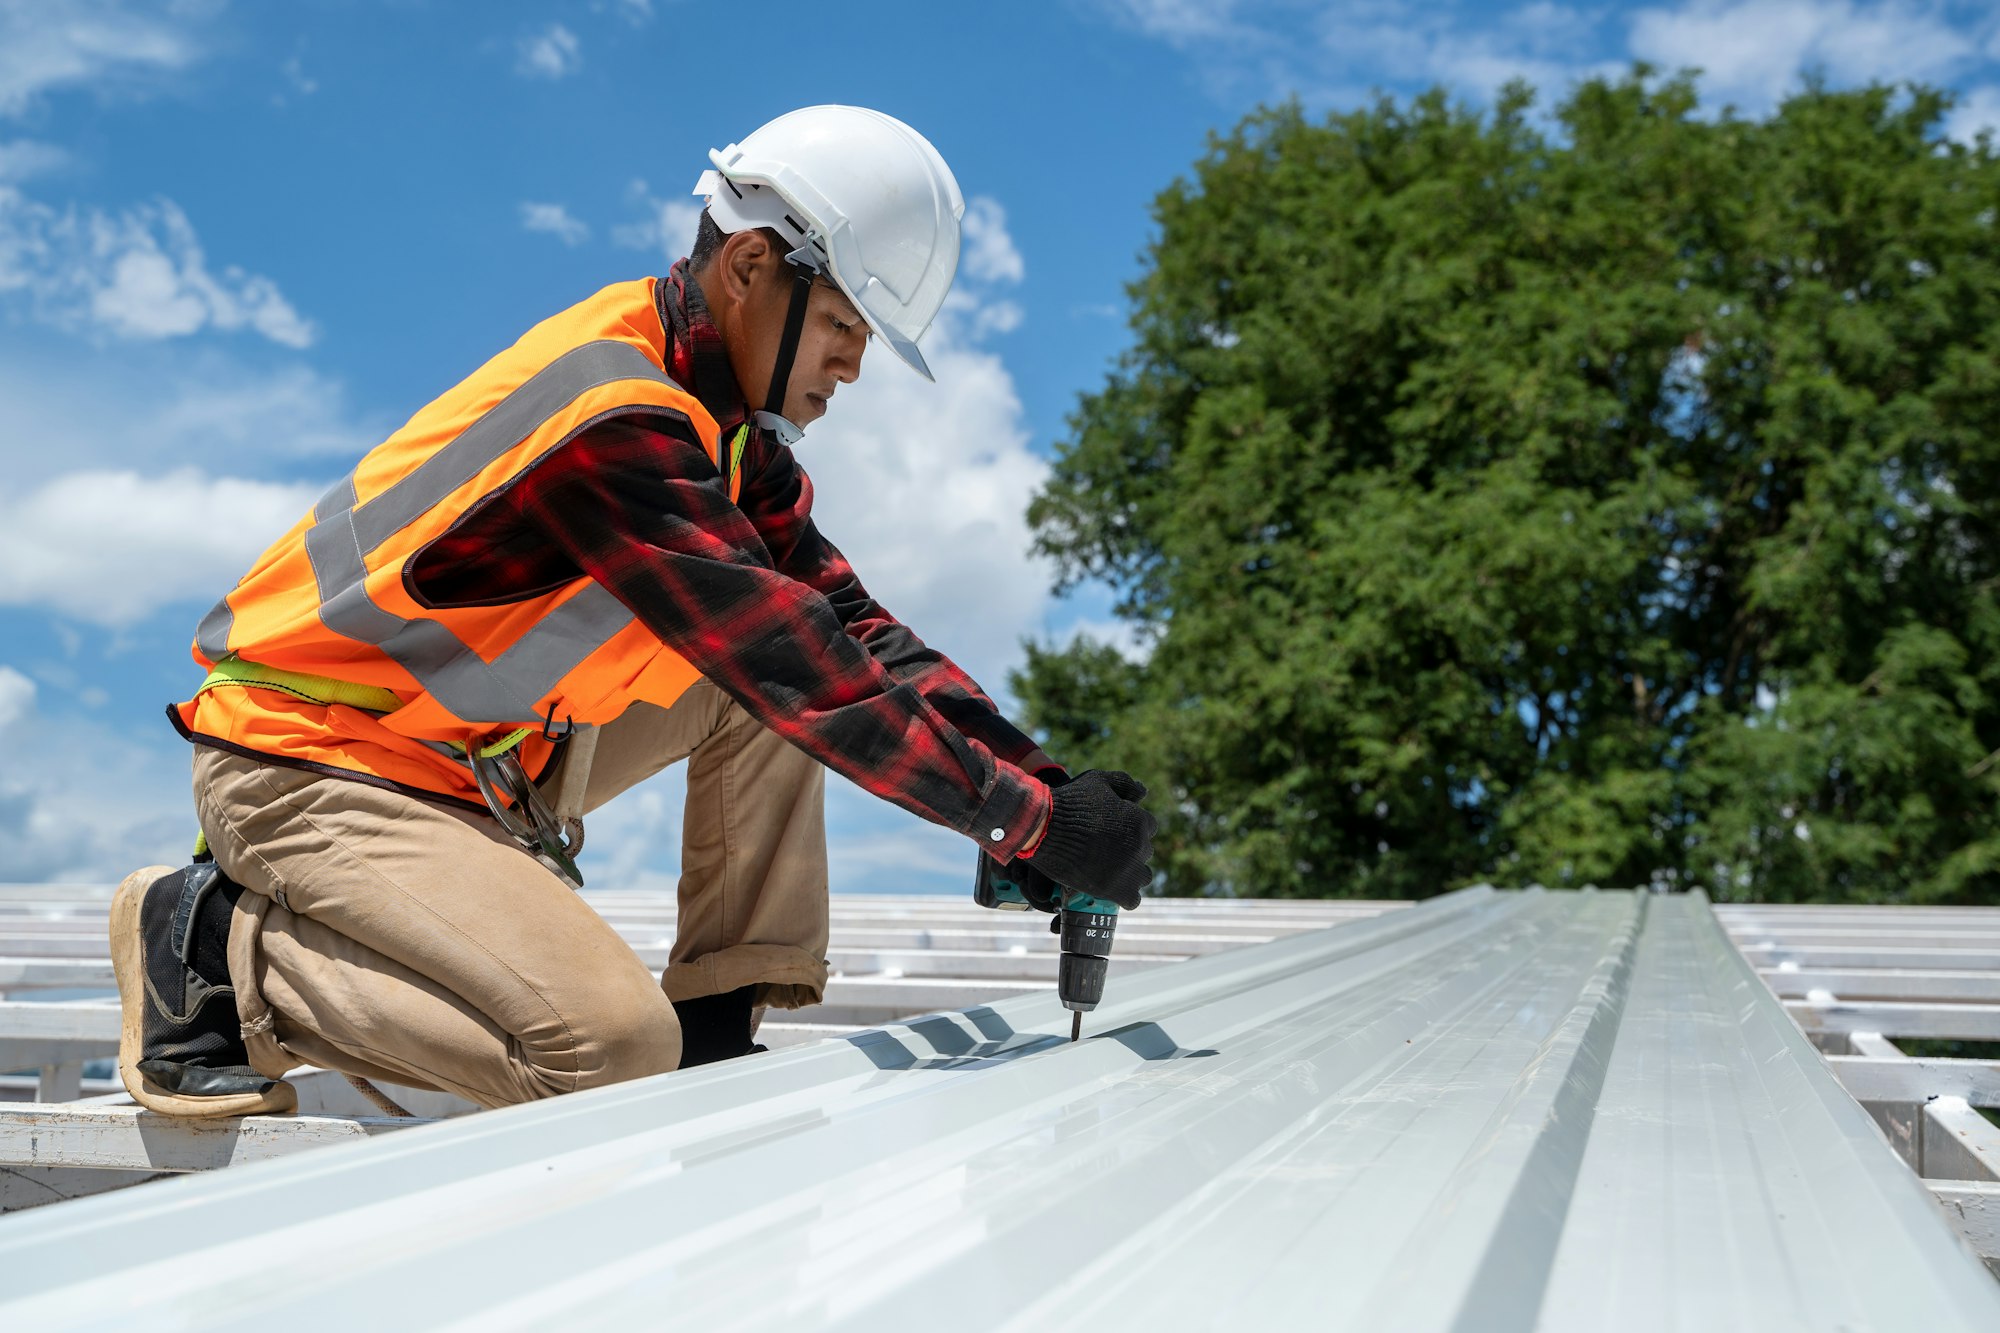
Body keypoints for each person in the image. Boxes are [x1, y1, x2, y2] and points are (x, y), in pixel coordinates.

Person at [110, 105, 1158, 1117]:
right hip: (310, 757)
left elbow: (855, 633)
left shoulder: (728, 433)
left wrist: (1045, 793)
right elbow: (797, 670)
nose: (853, 361)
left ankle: (713, 1021)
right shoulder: (616, 421)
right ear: (750, 267)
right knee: (607, 1053)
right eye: (842, 323)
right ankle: (212, 946)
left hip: (467, 760)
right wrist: (1017, 821)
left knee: (786, 661)